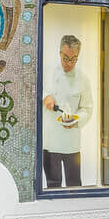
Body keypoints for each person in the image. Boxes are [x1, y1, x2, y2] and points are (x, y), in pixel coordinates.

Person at [41, 34, 94, 188]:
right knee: (52, 185)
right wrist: (45, 97)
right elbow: (35, 91)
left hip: (72, 143)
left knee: (74, 185)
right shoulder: (47, 71)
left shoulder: (83, 79)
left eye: (73, 59)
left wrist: (76, 120)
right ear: (60, 53)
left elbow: (87, 108)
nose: (69, 63)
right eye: (65, 58)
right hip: (50, 142)